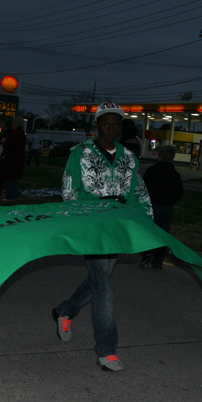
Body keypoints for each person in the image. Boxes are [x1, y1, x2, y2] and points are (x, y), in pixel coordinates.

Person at [52, 101, 152, 372]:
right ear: (96, 126)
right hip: (92, 226)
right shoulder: (80, 154)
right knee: (104, 288)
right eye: (105, 124)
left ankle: (65, 310)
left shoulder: (128, 156)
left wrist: (146, 227)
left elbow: (138, 193)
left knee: (100, 281)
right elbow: (69, 193)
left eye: (115, 124)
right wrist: (83, 219)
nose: (111, 129)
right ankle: (106, 350)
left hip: (116, 226)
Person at [139, 145, 183, 270]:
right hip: (167, 207)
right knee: (163, 234)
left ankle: (147, 254)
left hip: (153, 205)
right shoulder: (175, 174)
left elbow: (143, 187)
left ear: (160, 157)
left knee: (149, 231)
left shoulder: (152, 170)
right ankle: (158, 261)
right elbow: (179, 193)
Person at [0, 115, 26, 201]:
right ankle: (15, 195)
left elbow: (10, 145)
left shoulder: (15, 133)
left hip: (12, 159)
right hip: (18, 158)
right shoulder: (21, 133)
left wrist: (4, 142)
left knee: (9, 177)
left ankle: (10, 196)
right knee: (13, 178)